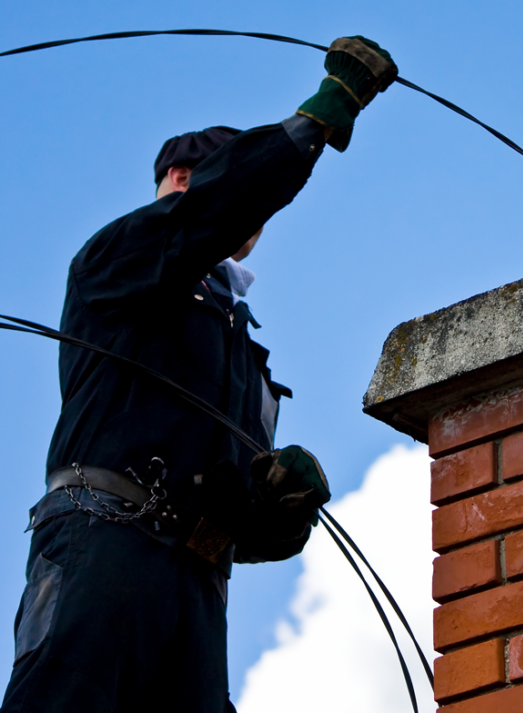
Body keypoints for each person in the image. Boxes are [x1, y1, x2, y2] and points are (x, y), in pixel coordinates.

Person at [1, 37, 398, 712]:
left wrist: (283, 507)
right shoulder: (117, 263)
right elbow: (208, 214)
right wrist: (317, 120)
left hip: (196, 587)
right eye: (219, 185)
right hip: (104, 546)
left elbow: (248, 531)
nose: (254, 218)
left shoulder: (245, 357)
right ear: (179, 182)